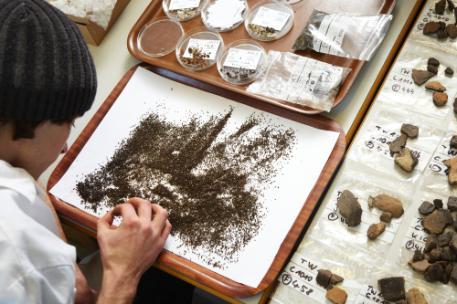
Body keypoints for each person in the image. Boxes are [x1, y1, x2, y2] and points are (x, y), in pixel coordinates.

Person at [0, 0, 172, 303]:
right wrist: (123, 272)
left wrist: (65, 268)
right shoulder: (12, 258)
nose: (66, 146)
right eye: (68, 121)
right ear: (25, 127)